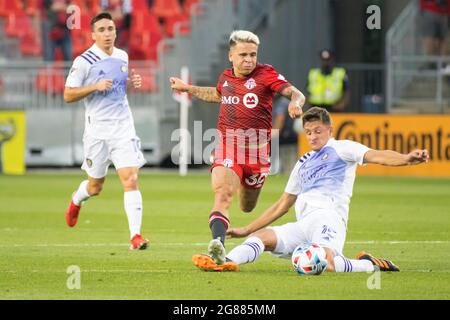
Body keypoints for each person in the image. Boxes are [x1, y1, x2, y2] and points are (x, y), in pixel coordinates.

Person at [192, 107, 429, 272]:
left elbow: (377, 155)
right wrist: (246, 229)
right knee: (260, 238)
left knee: (326, 264)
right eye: (309, 132)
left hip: (329, 218)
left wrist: (407, 158)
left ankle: (369, 265)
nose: (313, 136)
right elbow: (283, 204)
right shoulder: (303, 162)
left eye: (318, 131)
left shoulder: (342, 148)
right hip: (303, 225)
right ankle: (224, 261)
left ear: (330, 130)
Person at [169, 30, 305, 265]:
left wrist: (295, 101)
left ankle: (233, 217)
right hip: (227, 145)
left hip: (258, 152)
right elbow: (219, 93)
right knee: (223, 194)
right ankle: (218, 245)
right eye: (243, 54)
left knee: (247, 207)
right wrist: (188, 88)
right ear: (231, 55)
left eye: (253, 54)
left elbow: (295, 92)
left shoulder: (266, 74)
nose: (249, 59)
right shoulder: (225, 77)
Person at [63, 12, 149, 250]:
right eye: (101, 30)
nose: (107, 34)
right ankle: (76, 200)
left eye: (110, 29)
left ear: (115, 31)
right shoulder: (84, 61)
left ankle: (135, 236)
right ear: (93, 35)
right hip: (97, 133)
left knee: (130, 179)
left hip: (123, 128)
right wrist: (94, 86)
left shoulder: (122, 56)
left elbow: (118, 91)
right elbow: (68, 94)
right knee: (95, 187)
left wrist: (130, 85)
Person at [271, 96, 301, 174]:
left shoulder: (282, 102)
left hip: (286, 138)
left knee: (288, 170)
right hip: (288, 137)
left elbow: (280, 119)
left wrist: (271, 136)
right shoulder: (282, 101)